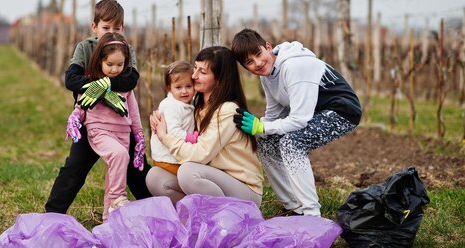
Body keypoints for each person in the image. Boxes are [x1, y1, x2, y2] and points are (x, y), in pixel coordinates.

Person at [231, 28, 362, 217]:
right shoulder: (267, 76)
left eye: (259, 54)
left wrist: (262, 126)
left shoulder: (294, 66)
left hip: (343, 111)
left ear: (268, 47)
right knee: (264, 141)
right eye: (249, 62)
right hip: (315, 113)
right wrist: (257, 130)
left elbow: (299, 120)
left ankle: (311, 214)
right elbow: (274, 114)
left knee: (292, 143)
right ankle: (294, 206)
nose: (257, 63)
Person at [44, 0, 151, 215]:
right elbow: (71, 79)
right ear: (94, 27)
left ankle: (156, 211)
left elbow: (130, 81)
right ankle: (52, 214)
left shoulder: (126, 50)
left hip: (121, 124)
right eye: (106, 27)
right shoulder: (85, 48)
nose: (111, 32)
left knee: (137, 171)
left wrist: (98, 86)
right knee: (74, 169)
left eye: (117, 28)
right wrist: (105, 86)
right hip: (90, 122)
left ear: (123, 28)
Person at [148, 46, 264, 207]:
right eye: (195, 68)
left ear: (219, 78)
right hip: (211, 179)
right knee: (155, 176)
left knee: (188, 173)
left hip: (242, 188)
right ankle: (194, 217)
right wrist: (162, 117)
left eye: (202, 72)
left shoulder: (227, 110)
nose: (194, 75)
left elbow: (200, 154)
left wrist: (164, 136)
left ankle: (221, 220)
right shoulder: (198, 106)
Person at [64, 32, 145, 221]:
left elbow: (133, 112)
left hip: (123, 134)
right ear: (100, 61)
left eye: (120, 65)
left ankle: (109, 222)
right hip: (99, 130)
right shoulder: (94, 83)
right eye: (109, 64)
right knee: (119, 155)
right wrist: (76, 117)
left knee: (114, 173)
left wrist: (139, 135)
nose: (115, 69)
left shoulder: (125, 87)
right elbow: (82, 103)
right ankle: (118, 197)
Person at [146, 61, 199, 204]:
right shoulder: (171, 106)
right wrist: (191, 137)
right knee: (189, 178)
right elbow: (174, 131)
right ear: (169, 88)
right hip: (167, 159)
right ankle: (191, 202)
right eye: (178, 87)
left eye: (188, 86)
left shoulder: (187, 102)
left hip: (174, 155)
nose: (184, 91)